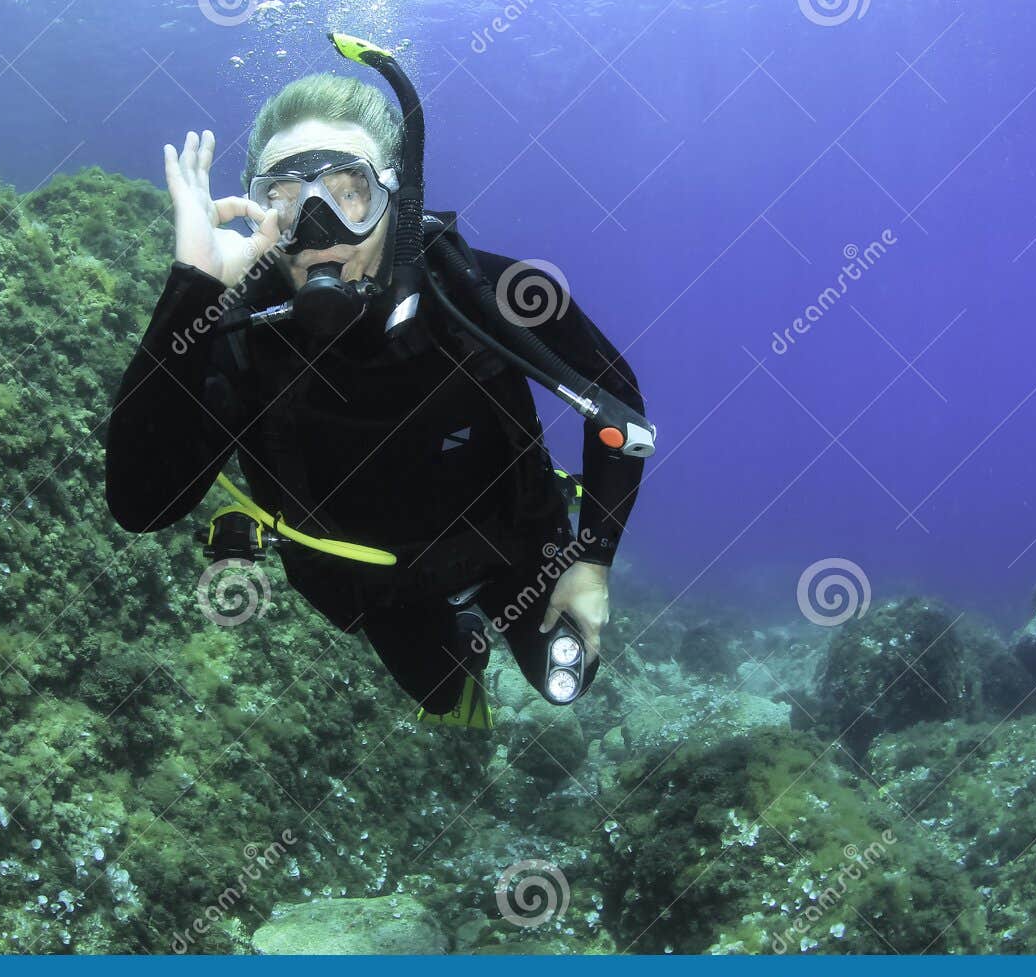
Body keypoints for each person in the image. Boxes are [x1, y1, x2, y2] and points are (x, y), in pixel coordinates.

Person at [105, 69, 645, 727]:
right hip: (376, 589)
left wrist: (593, 562)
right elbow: (141, 504)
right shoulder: (244, 338)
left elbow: (617, 400)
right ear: (258, 212)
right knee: (443, 698)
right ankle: (461, 653)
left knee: (568, 684)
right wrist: (194, 286)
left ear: (397, 199)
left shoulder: (482, 294)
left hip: (518, 549)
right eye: (285, 201)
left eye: (348, 192)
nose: (320, 230)